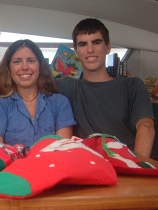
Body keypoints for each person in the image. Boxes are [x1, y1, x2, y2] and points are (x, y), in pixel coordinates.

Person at [54, 18, 155, 158]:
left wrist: (136, 167)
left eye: (96, 42)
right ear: (76, 52)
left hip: (127, 165)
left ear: (108, 47)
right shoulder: (66, 87)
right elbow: (29, 82)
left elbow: (146, 126)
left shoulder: (132, 86)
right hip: (88, 168)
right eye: (83, 44)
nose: (90, 49)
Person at [0, 39, 76, 148]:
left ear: (40, 65)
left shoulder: (60, 103)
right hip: (12, 166)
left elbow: (63, 151)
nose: (25, 67)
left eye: (31, 61)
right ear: (8, 68)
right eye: (17, 61)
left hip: (52, 164)